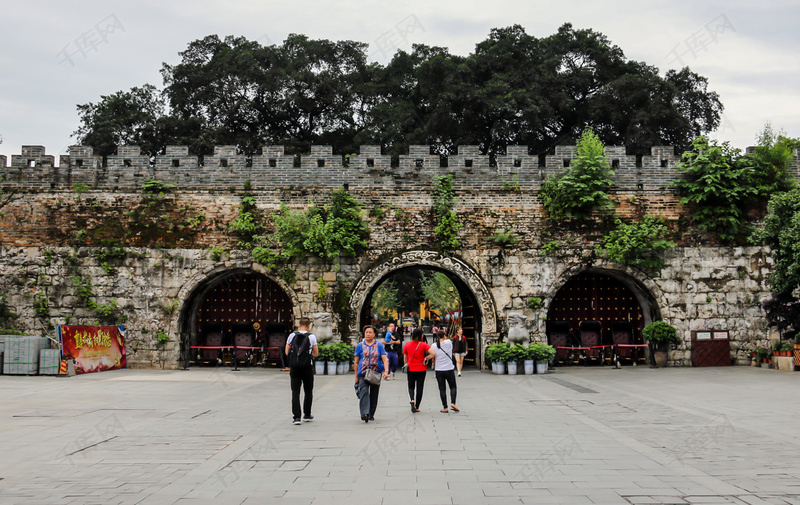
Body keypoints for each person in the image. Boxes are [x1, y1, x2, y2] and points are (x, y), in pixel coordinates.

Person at [285, 317, 319, 425]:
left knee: (295, 392)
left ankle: (296, 417)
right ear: (309, 326)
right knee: (308, 391)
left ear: (299, 325)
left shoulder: (292, 336)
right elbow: (316, 353)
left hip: (294, 367)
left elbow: (286, 351)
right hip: (307, 367)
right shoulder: (311, 337)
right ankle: (307, 414)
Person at [354, 325, 390, 423]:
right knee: (364, 392)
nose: (368, 334)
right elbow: (356, 361)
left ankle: (371, 414)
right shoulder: (360, 345)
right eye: (366, 332)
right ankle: (364, 413)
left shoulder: (379, 345)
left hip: (375, 373)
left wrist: (386, 371)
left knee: (374, 394)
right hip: (363, 373)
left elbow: (384, 359)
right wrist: (356, 376)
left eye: (370, 332)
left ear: (374, 334)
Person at [403, 328, 436, 413]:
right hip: (421, 368)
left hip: (411, 368)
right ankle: (417, 406)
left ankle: (412, 399)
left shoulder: (407, 344)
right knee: (420, 387)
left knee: (411, 386)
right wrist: (426, 358)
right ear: (421, 335)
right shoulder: (423, 344)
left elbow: (405, 357)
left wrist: (406, 364)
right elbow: (433, 353)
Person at [434, 330, 459, 413]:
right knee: (453, 387)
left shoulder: (434, 345)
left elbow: (433, 356)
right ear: (444, 336)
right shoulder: (448, 343)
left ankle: (445, 407)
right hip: (449, 369)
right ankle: (453, 402)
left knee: (442, 389)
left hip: (439, 370)